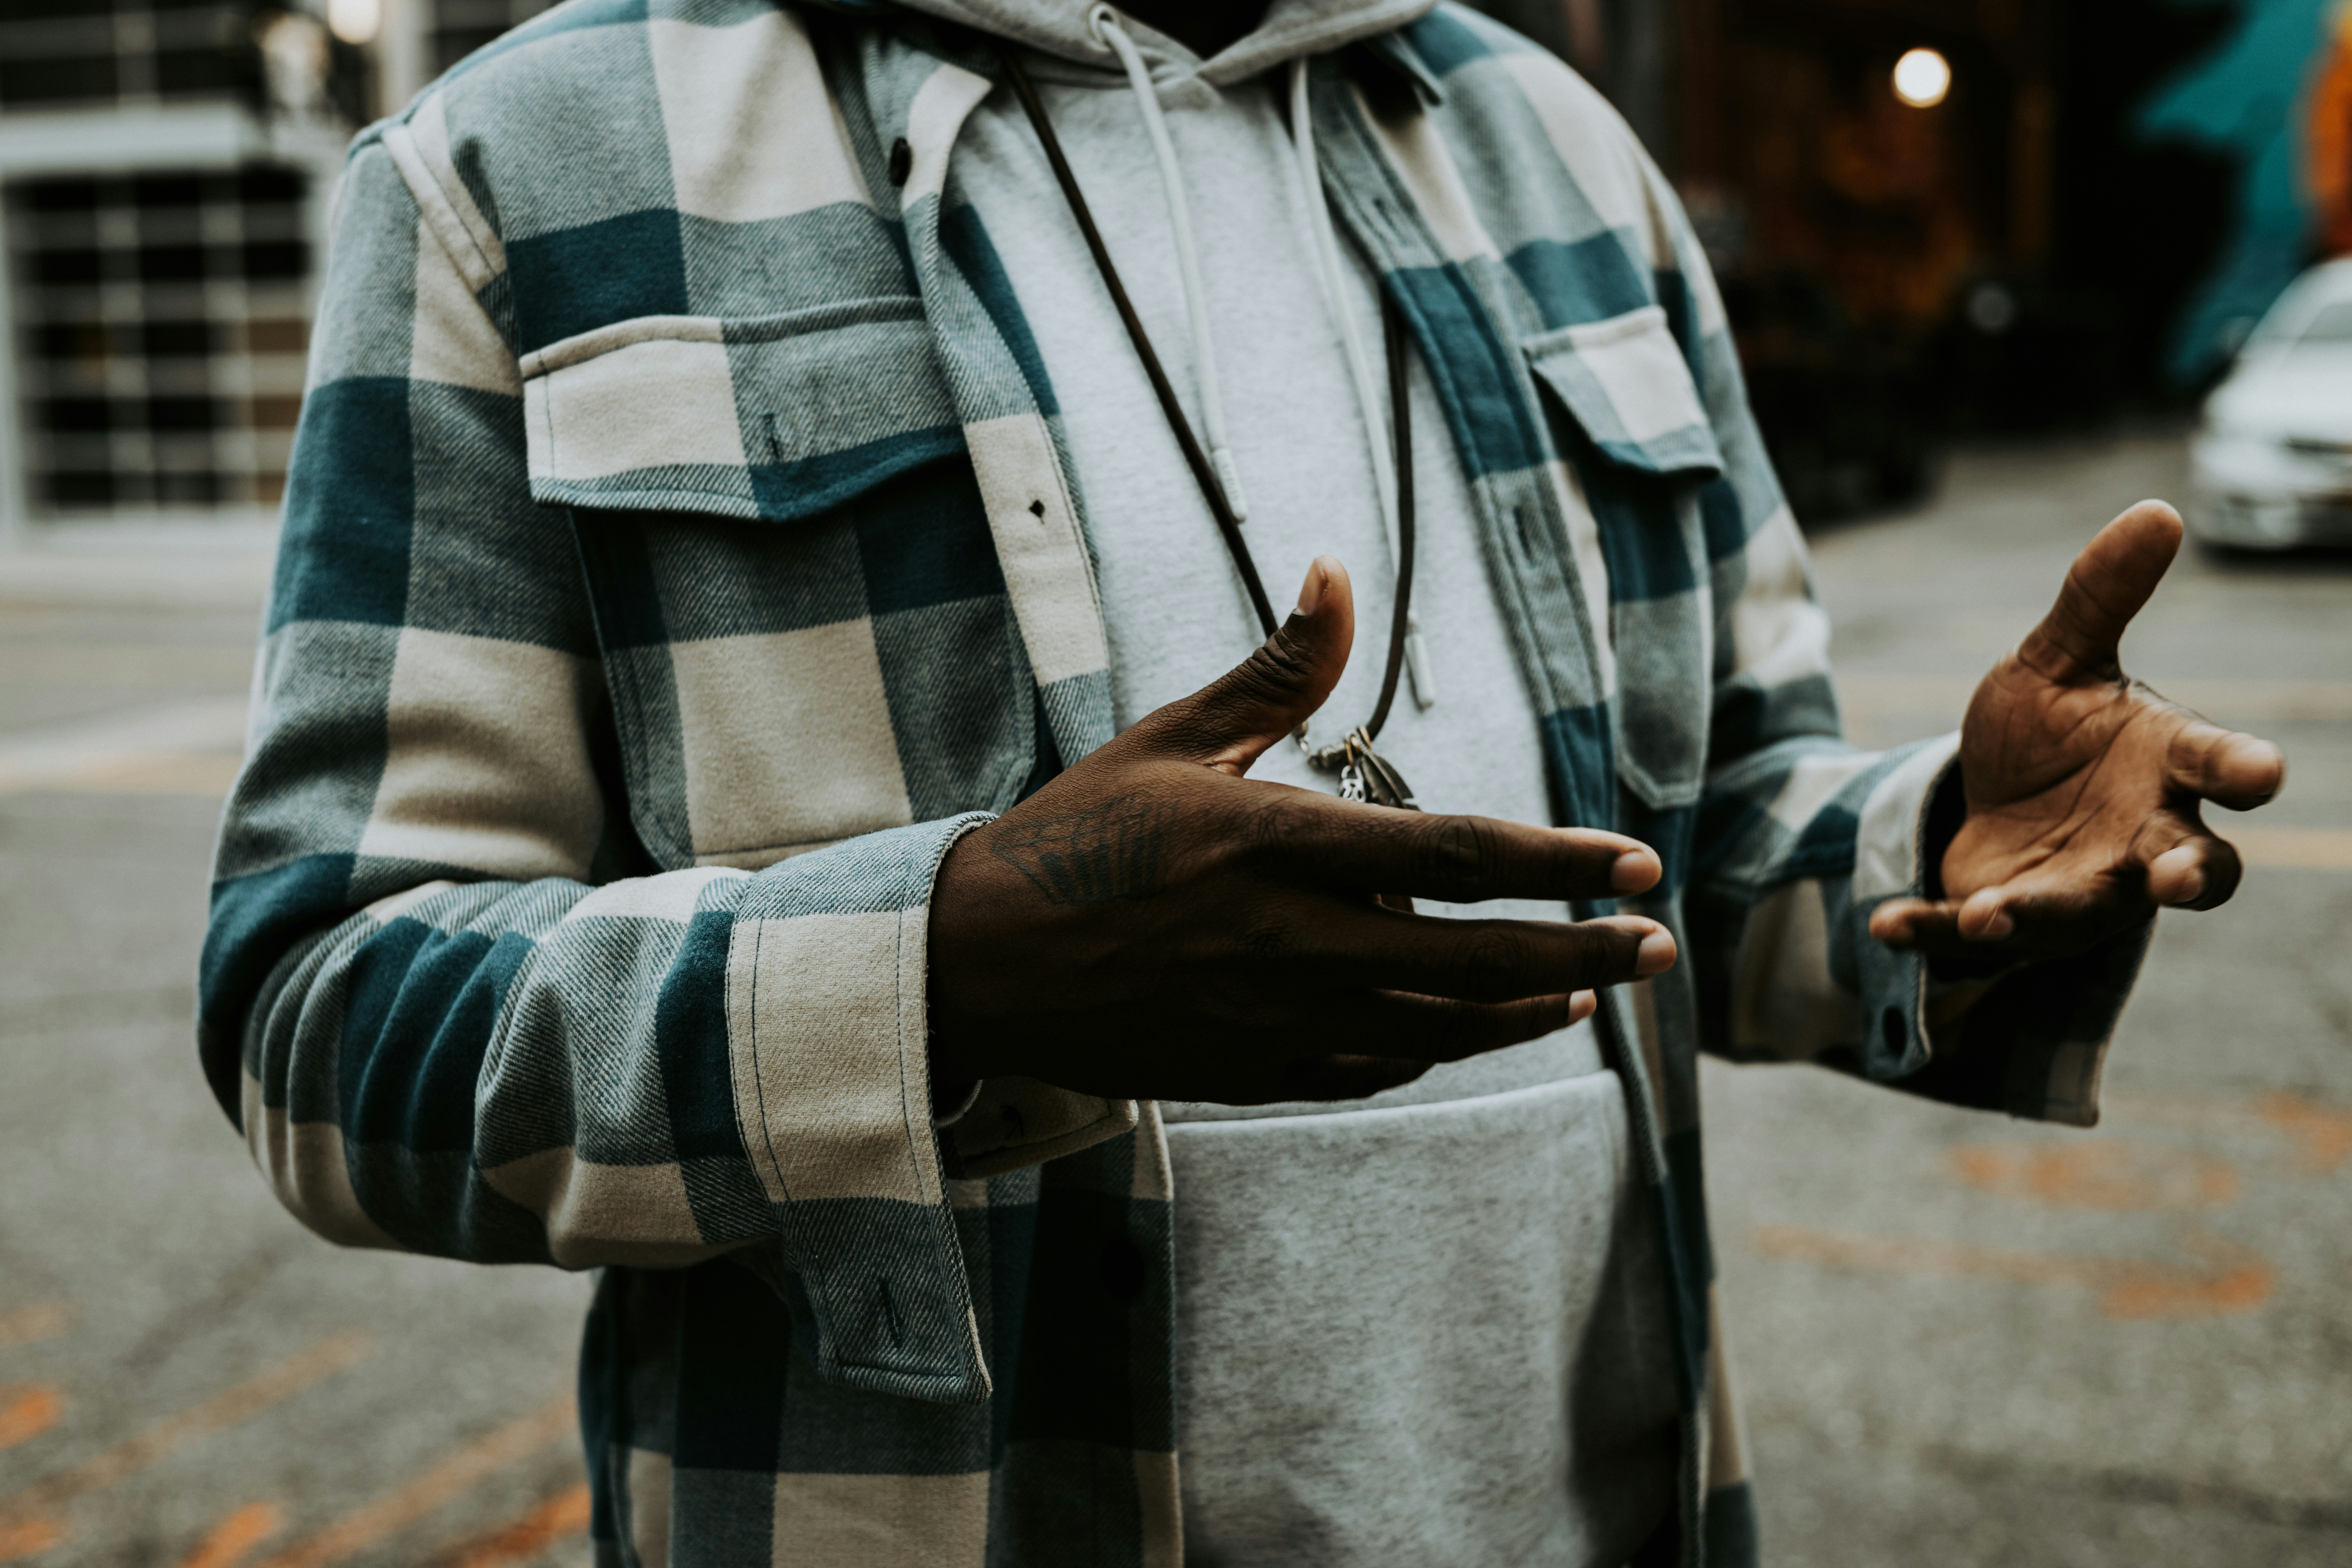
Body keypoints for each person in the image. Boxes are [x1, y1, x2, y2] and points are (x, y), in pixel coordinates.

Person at [197, 0, 2287, 1562]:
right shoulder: (527, 170)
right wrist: (941, 973)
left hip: (1594, 1512)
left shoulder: (1547, 143)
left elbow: (1700, 837)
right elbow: (322, 1012)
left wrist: (1930, 846)